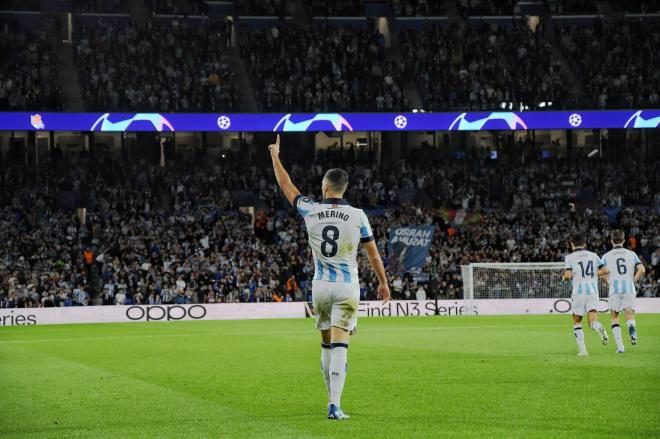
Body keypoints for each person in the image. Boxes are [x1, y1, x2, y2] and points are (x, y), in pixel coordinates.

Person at [268, 134, 390, 420]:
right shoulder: (358, 215)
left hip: (320, 287)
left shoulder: (312, 209)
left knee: (326, 344)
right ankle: (334, 404)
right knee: (340, 344)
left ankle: (330, 398)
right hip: (347, 286)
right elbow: (373, 255)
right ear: (343, 188)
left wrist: (275, 156)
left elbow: (286, 186)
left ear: (324, 187)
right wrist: (383, 283)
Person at [562, 233, 609, 356]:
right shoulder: (594, 255)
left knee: (577, 320)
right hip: (593, 291)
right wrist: (593, 274)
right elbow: (605, 270)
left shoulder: (569, 257)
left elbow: (567, 276)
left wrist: (564, 278)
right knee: (592, 321)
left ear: (572, 244)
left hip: (579, 292)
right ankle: (599, 327)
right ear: (585, 244)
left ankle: (583, 351)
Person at [601, 229, 645, 353]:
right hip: (629, 287)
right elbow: (642, 270)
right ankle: (632, 330)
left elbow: (600, 273)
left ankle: (620, 347)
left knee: (614, 316)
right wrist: (633, 280)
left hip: (614, 289)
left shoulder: (606, 256)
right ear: (624, 241)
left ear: (611, 241)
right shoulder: (632, 254)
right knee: (630, 314)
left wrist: (608, 282)